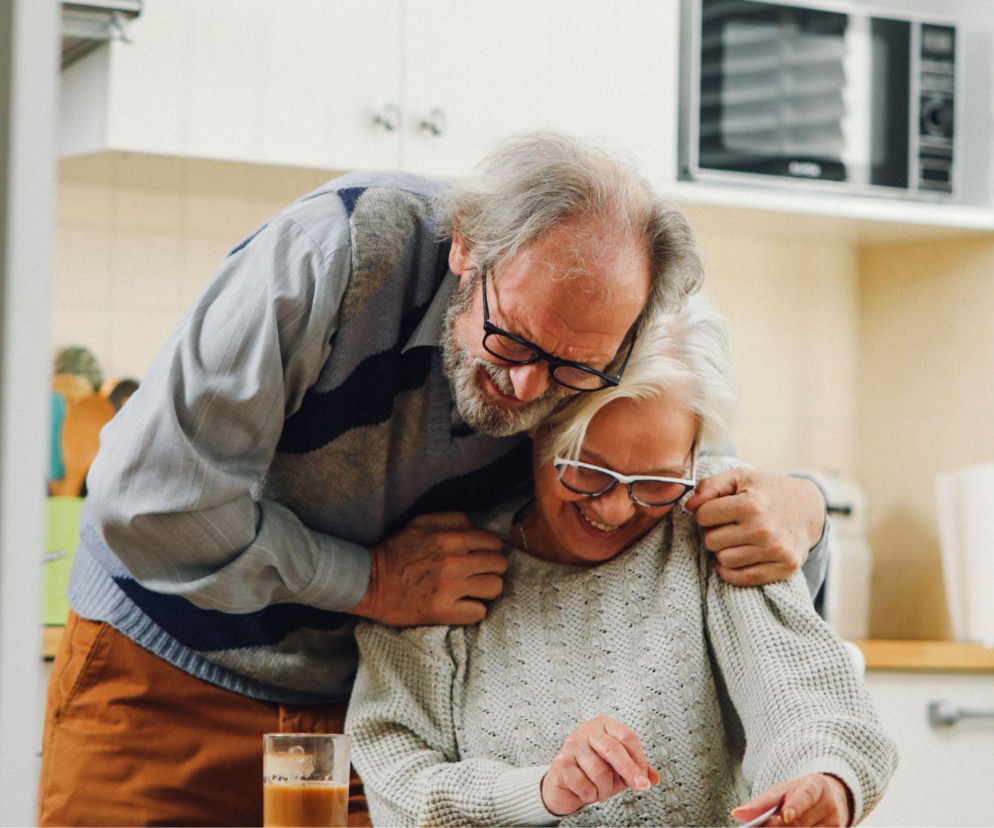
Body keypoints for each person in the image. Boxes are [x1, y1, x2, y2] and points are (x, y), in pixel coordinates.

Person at [39, 133, 829, 826]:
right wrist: (370, 580)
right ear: (464, 248)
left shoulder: (613, 320)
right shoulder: (338, 250)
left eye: (573, 370)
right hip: (166, 679)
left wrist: (806, 505)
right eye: (512, 342)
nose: (527, 391)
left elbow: (668, 451)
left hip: (366, 713)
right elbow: (152, 504)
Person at [346, 297, 897, 827]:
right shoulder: (440, 572)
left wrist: (826, 781)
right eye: (586, 469)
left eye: (655, 482)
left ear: (693, 456)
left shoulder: (714, 524)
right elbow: (398, 779)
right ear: (538, 425)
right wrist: (540, 792)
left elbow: (808, 698)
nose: (613, 508)